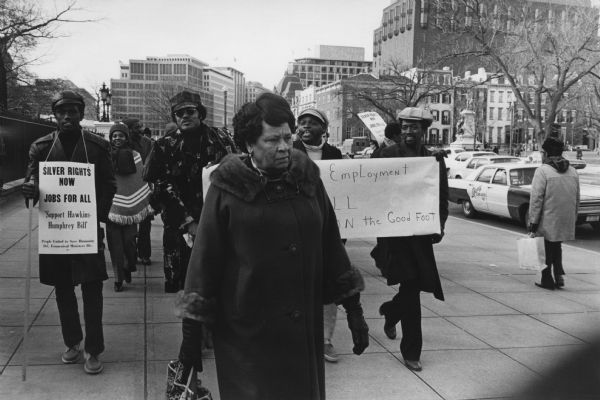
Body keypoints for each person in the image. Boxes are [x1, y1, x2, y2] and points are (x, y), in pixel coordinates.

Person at [172, 93, 369, 400]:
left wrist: (353, 306)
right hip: (247, 333)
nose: (284, 147)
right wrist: (191, 333)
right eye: (272, 140)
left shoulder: (307, 180)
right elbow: (205, 260)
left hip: (301, 329)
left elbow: (330, 242)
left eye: (288, 138)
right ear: (249, 144)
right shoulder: (227, 188)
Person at [22, 90, 116, 374]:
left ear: (81, 114)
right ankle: (73, 342)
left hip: (85, 230)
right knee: (63, 290)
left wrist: (93, 216)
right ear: (55, 115)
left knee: (92, 290)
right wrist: (30, 190)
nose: (67, 117)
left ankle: (93, 349)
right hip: (57, 233)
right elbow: (32, 186)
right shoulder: (41, 148)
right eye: (61, 112)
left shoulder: (97, 148)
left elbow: (109, 185)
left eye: (72, 111)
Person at [372, 107, 448, 372]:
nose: (408, 131)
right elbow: (372, 187)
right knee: (412, 288)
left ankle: (391, 312)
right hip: (394, 236)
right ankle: (412, 351)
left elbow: (441, 194)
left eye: (414, 127)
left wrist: (440, 225)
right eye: (404, 126)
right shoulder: (387, 155)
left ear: (423, 130)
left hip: (420, 234)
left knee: (412, 286)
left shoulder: (432, 159)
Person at [144, 90, 236, 293]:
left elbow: (236, 175)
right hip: (180, 227)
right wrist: (189, 222)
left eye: (190, 111)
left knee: (220, 284)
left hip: (219, 222)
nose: (184, 116)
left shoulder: (221, 139)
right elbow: (160, 187)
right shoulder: (164, 146)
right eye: (179, 113)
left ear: (200, 113)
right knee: (188, 287)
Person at [294, 108, 344, 363]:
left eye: (311, 123)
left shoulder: (336, 155)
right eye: (301, 122)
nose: (305, 127)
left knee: (328, 288)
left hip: (328, 231)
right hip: (297, 231)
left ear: (324, 129)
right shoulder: (290, 151)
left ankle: (325, 340)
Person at [106, 123, 153, 292]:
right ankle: (118, 279)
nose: (117, 138)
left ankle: (128, 266)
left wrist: (143, 199)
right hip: (111, 208)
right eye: (114, 136)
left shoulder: (135, 156)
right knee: (115, 246)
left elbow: (140, 179)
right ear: (110, 138)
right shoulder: (105, 155)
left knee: (129, 244)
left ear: (126, 137)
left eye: (121, 135)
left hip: (132, 209)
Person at [528, 137, 579, 290]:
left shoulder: (543, 171)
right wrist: (573, 217)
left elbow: (536, 198)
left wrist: (533, 222)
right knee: (556, 245)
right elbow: (577, 197)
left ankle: (547, 279)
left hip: (548, 217)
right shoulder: (572, 170)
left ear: (547, 154)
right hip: (565, 216)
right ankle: (559, 276)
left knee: (544, 248)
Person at [123, 118, 153, 267]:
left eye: (140, 126)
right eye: (136, 127)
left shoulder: (148, 143)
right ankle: (130, 254)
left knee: (145, 222)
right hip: (128, 187)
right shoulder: (123, 142)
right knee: (129, 224)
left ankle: (144, 253)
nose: (140, 129)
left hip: (144, 186)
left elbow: (151, 161)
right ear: (128, 129)